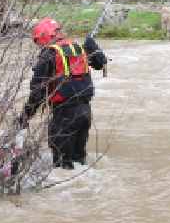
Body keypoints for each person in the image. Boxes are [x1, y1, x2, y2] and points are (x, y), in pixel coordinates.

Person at [18, 18, 107, 169]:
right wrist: (92, 45)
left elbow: (37, 93)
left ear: (45, 36)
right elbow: (99, 63)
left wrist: (24, 117)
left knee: (62, 166)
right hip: (85, 113)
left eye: (38, 41)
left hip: (64, 115)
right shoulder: (79, 48)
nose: (39, 46)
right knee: (78, 160)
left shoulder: (49, 55)